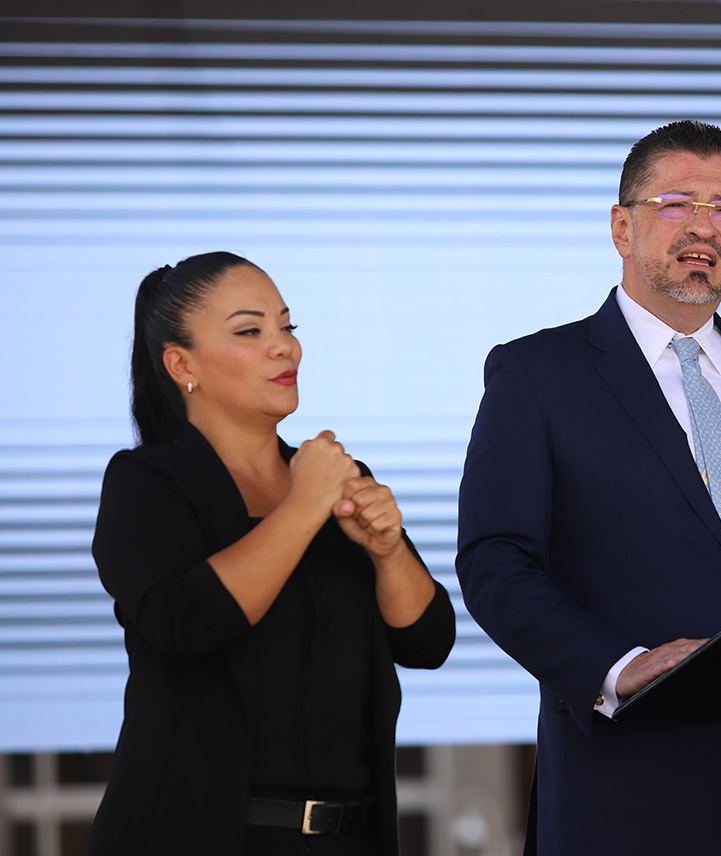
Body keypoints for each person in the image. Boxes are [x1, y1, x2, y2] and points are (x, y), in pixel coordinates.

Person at [456, 120, 721, 855]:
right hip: (633, 791)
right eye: (677, 203)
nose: (704, 227)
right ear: (622, 226)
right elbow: (496, 562)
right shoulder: (538, 376)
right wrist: (616, 667)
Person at [89, 251, 456, 856]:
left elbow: (428, 643)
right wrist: (303, 506)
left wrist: (389, 553)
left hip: (350, 838)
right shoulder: (146, 481)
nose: (284, 347)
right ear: (182, 365)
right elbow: (185, 623)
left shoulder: (334, 475)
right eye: (249, 331)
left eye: (287, 326)